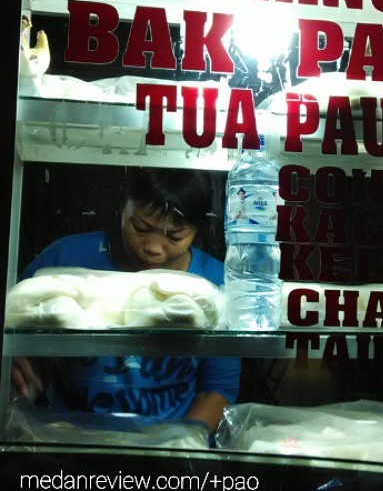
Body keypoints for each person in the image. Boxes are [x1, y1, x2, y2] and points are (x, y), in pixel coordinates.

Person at [10, 166, 240, 439]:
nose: (153, 247)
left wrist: (177, 445)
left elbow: (217, 388)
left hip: (169, 442)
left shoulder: (214, 284)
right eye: (140, 228)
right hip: (67, 436)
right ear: (123, 206)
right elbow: (14, 320)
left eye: (174, 236)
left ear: (197, 229)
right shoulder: (64, 259)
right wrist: (12, 356)